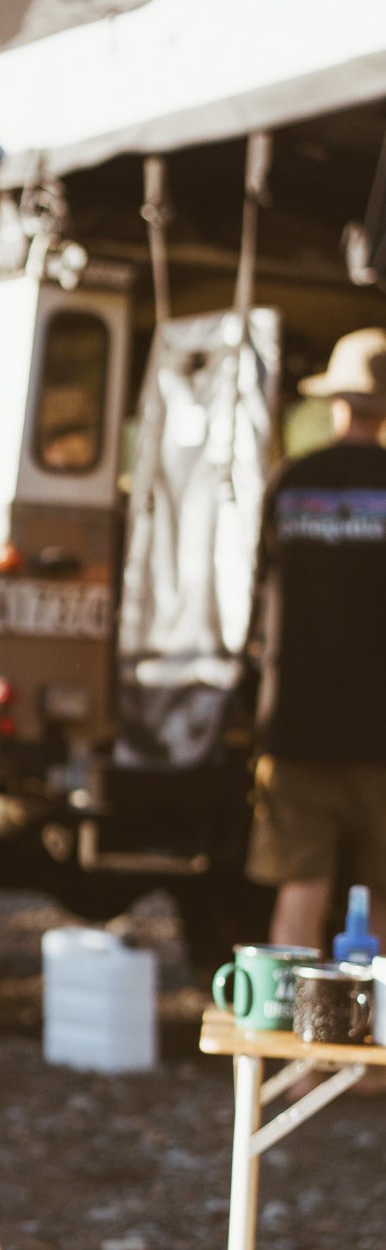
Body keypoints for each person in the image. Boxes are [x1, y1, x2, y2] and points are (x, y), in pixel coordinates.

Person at [247, 327, 386, 956]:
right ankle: (380, 1043)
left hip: (297, 724)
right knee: (384, 898)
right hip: (381, 734)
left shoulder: (290, 482)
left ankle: (289, 1037)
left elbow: (253, 586)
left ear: (338, 402)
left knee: (300, 888)